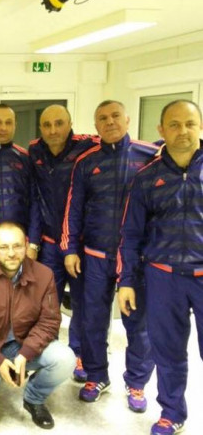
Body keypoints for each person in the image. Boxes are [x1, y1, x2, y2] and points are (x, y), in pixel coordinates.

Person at [61, 100, 156, 409]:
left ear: (127, 119)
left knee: (138, 325)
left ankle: (137, 384)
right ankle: (96, 375)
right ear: (96, 126)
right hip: (95, 255)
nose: (110, 122)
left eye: (116, 116)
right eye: (103, 118)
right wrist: (70, 249)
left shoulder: (151, 155)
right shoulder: (86, 162)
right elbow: (74, 209)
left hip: (136, 259)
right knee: (92, 319)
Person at [118, 99, 203, 435]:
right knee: (168, 351)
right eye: (174, 124)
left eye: (190, 123)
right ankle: (172, 412)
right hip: (163, 278)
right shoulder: (146, 178)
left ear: (200, 126)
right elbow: (131, 234)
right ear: (161, 130)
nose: (183, 131)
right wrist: (127, 281)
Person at [0, 221, 75, 430]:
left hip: (24, 343)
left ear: (26, 245)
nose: (11, 253)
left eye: (17, 246)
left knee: (65, 359)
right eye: (4, 247)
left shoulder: (44, 274)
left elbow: (49, 321)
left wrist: (25, 354)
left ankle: (34, 398)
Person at [29, 104, 99, 382]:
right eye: (47, 125)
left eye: (59, 123)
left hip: (80, 245)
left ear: (70, 124)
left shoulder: (86, 145)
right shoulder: (35, 151)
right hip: (49, 244)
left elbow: (120, 141)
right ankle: (50, 355)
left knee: (82, 304)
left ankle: (79, 354)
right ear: (40, 128)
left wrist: (159, 147)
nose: (53, 130)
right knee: (47, 305)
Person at [0, 103, 40, 257]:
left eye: (8, 122)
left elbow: (35, 202)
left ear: (15, 125)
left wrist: (33, 243)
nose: (3, 128)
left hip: (18, 243)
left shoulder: (25, 158)